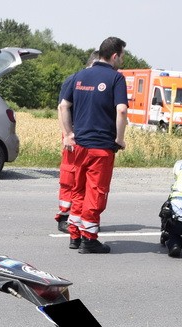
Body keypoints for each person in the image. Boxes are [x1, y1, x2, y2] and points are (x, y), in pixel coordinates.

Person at [58, 36, 128, 254]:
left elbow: (63, 106)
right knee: (95, 193)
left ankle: (75, 235)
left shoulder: (80, 75)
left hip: (79, 145)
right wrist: (119, 138)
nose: (122, 60)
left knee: (78, 190)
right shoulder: (116, 78)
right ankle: (89, 239)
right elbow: (122, 110)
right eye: (122, 56)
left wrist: (69, 134)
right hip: (101, 147)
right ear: (115, 55)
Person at [54, 51, 98, 234]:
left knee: (82, 180)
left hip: (87, 139)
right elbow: (62, 108)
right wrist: (67, 135)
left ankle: (78, 217)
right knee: (69, 178)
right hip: (73, 137)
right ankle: (64, 216)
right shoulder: (74, 79)